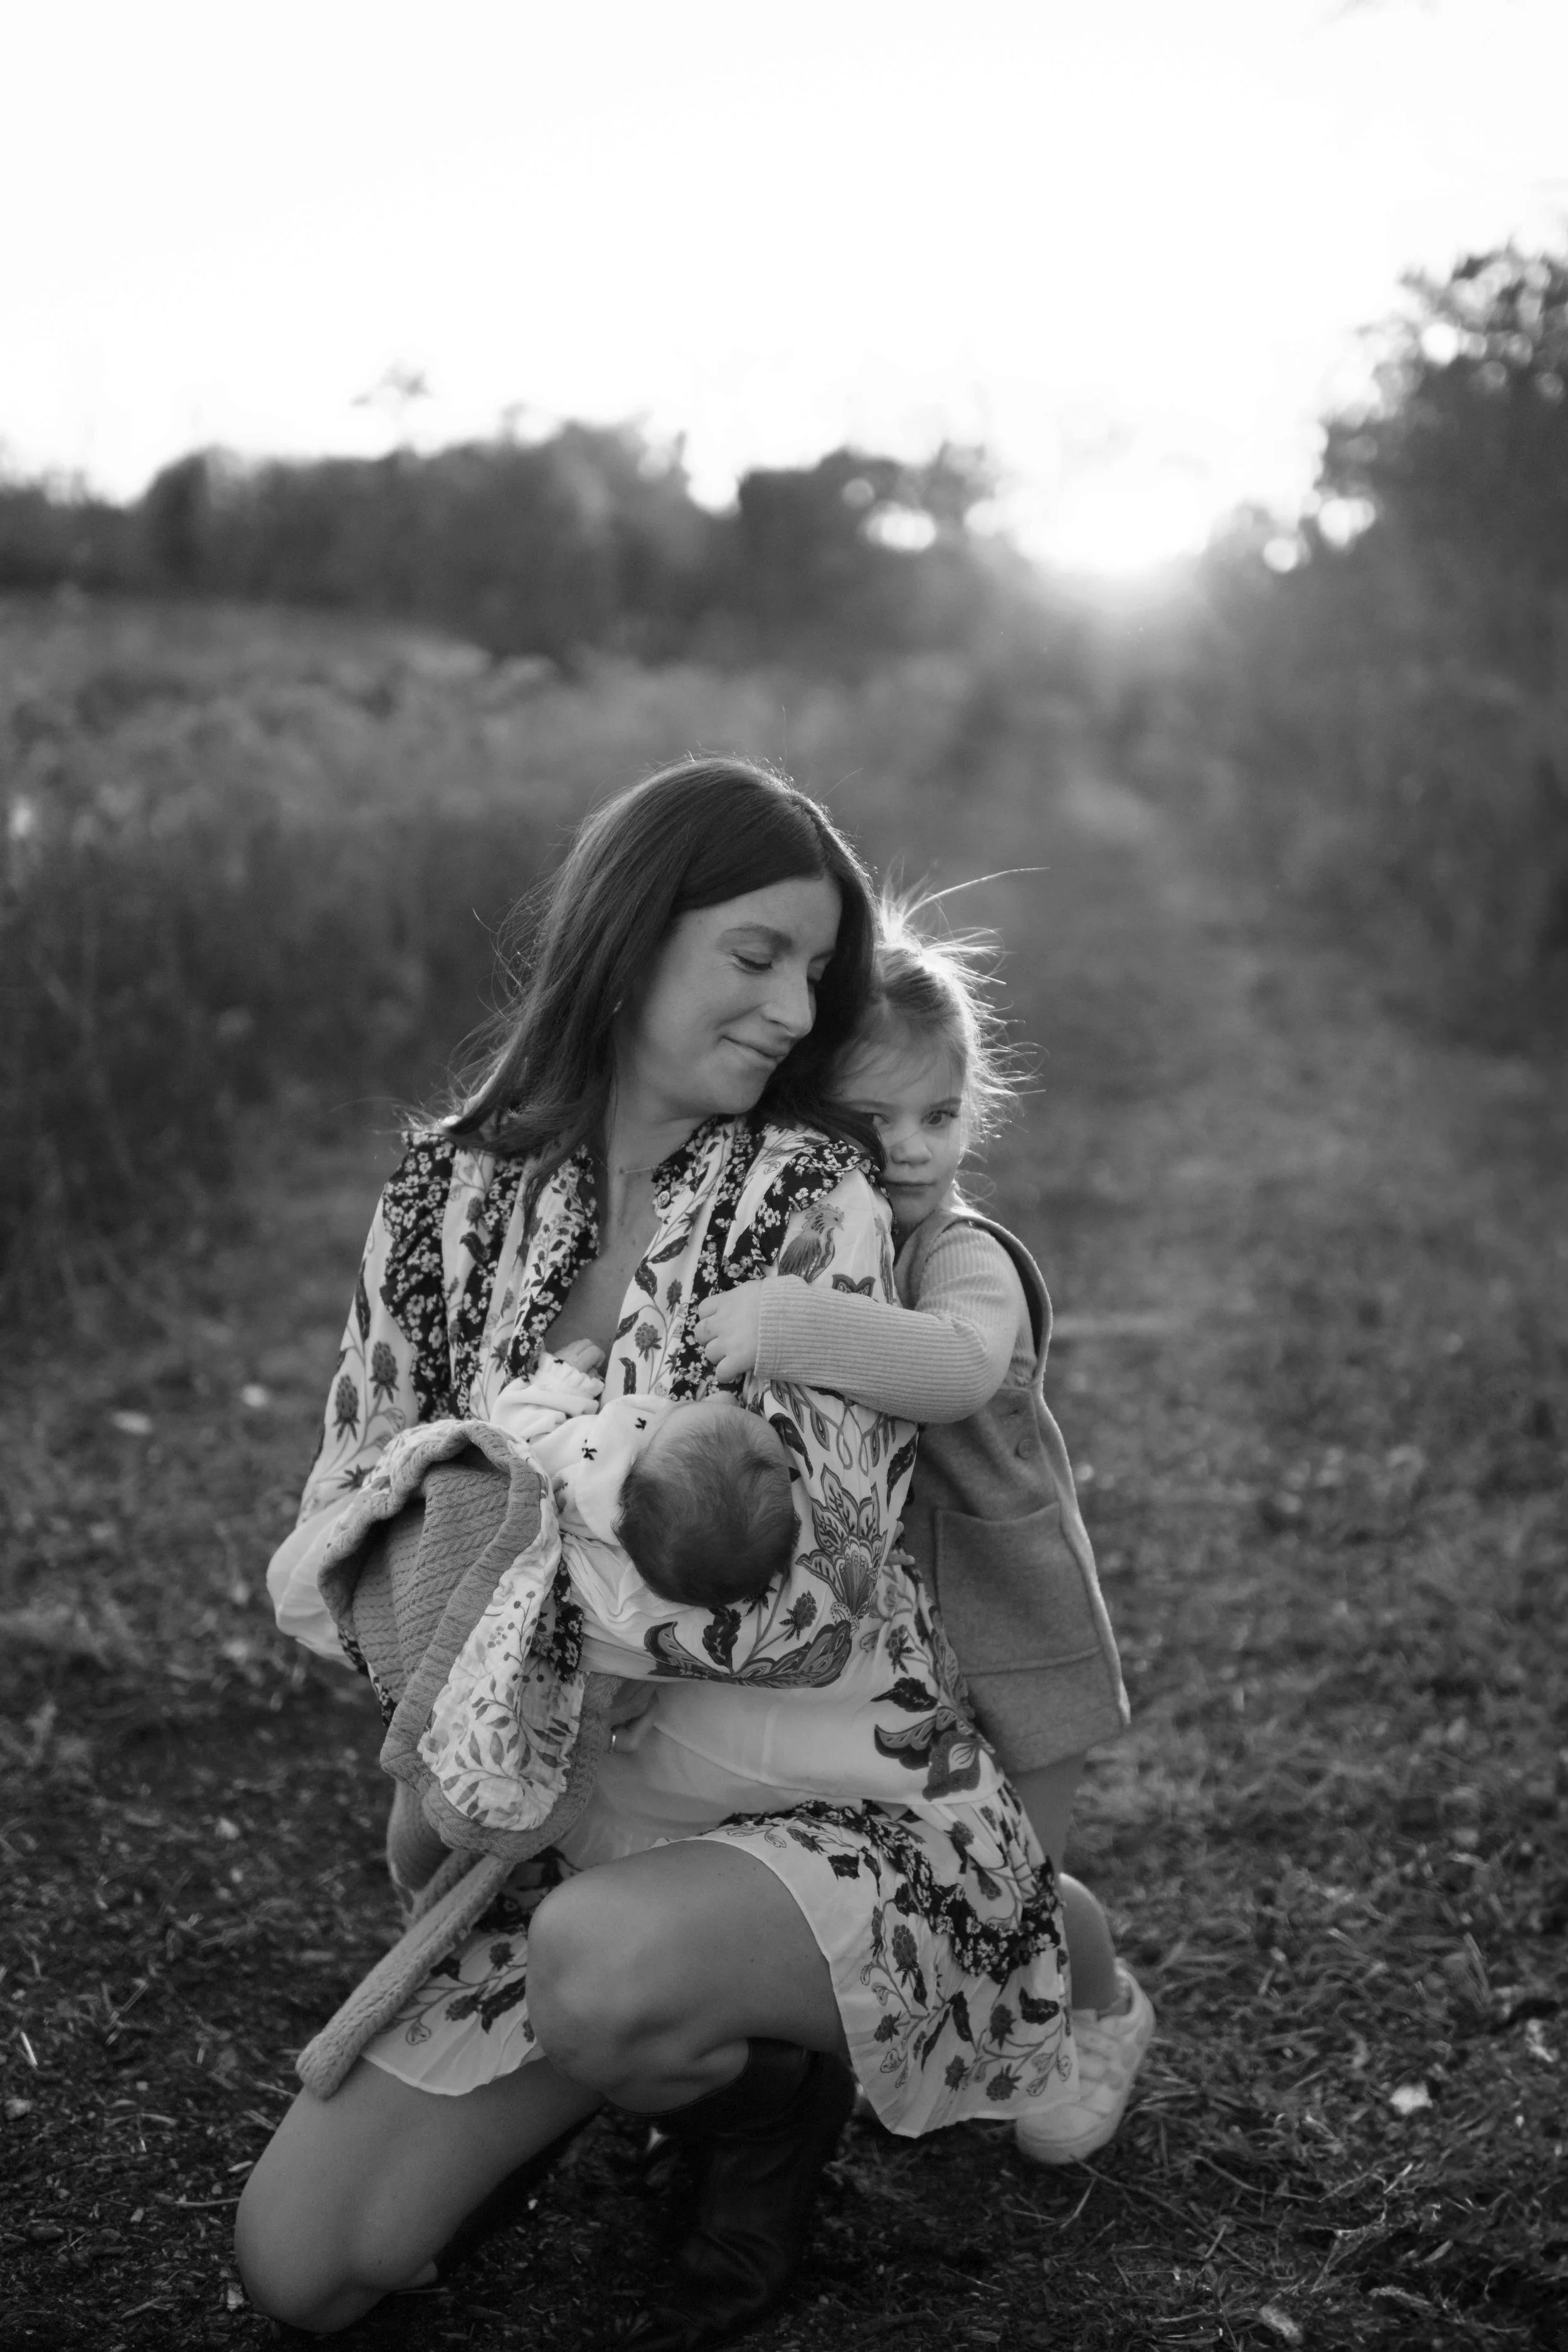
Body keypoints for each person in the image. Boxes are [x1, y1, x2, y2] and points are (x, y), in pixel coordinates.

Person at [238, 761, 1079, 2351]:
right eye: (752, 953)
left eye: (815, 973)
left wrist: (502, 1521)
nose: (789, 1008)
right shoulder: (440, 1195)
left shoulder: (806, 1192)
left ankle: (753, 2094)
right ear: (630, 936)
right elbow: (345, 1515)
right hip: (566, 1816)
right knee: (305, 2265)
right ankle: (636, 2052)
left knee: (603, 1969)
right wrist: (507, 1590)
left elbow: (801, 1593)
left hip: (841, 1798)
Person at [694, 896, 1155, 2166]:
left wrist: (784, 1324)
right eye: (868, 1120)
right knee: (896, 1863)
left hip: (1007, 1622)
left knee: (1004, 1885)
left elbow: (952, 1369)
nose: (908, 1149)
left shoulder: (963, 1259)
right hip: (890, 1644)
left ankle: (1101, 2007)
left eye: (939, 1116)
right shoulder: (795, 1231)